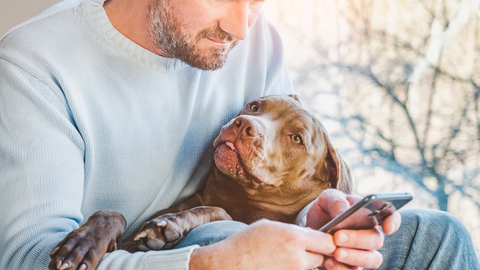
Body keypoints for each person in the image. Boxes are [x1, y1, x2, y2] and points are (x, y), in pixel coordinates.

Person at [0, 0, 478, 269]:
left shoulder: (254, 39)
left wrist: (317, 210)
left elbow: (290, 160)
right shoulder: (36, 65)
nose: (242, 26)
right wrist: (209, 264)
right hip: (167, 255)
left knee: (437, 237)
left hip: (248, 243)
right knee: (220, 232)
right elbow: (25, 261)